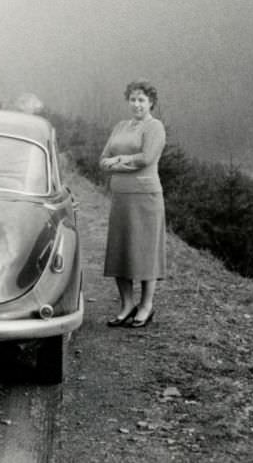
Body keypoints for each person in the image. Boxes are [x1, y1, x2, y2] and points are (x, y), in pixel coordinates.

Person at [99, 79, 166, 328]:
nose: (136, 104)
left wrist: (117, 162)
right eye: (133, 99)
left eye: (142, 100)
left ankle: (146, 307)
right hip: (121, 197)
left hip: (145, 197)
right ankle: (126, 305)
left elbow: (146, 158)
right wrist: (116, 161)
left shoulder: (155, 127)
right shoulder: (120, 126)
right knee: (121, 250)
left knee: (146, 252)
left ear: (151, 103)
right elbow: (102, 159)